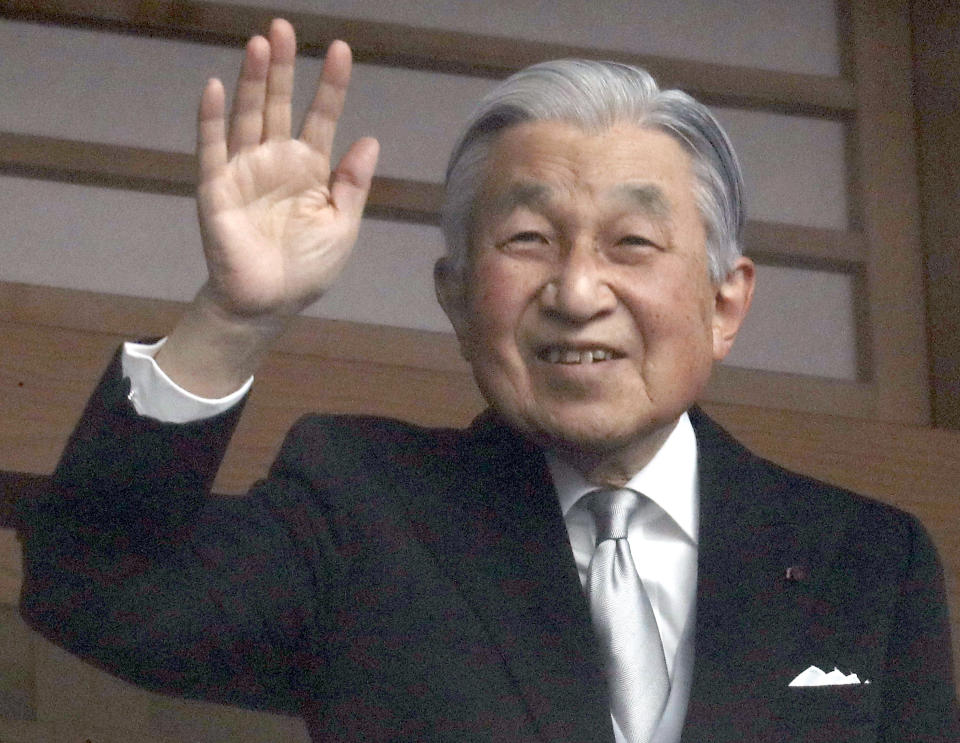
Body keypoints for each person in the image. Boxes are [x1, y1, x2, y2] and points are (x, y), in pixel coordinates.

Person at [17, 18, 959, 743]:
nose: (579, 290)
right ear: (460, 299)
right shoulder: (365, 504)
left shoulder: (868, 560)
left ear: (724, 303)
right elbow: (101, 595)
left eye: (632, 243)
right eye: (527, 240)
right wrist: (234, 317)